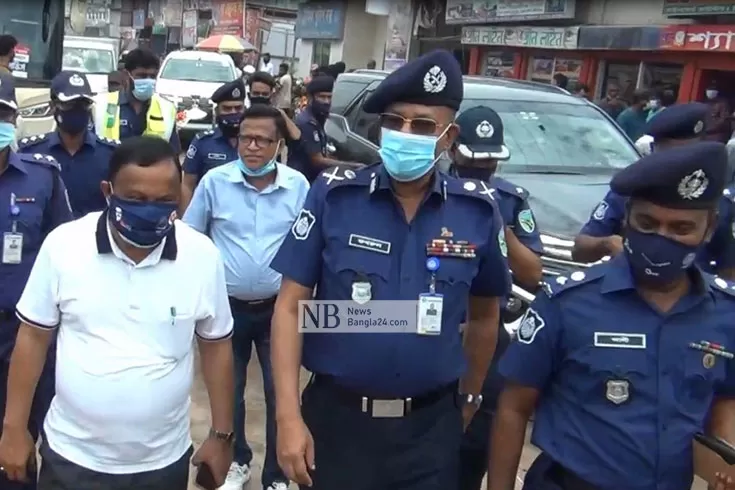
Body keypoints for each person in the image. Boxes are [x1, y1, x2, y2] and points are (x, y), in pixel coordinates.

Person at [269, 49, 511, 490]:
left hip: (430, 428)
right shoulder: (335, 198)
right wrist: (287, 416)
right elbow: (291, 308)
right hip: (337, 423)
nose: (406, 134)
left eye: (422, 126)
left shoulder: (477, 211)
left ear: (448, 136)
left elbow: (484, 316)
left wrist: (471, 396)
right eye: (395, 122)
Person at [488, 141, 735, 490]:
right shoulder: (567, 303)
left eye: (681, 229)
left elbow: (726, 399)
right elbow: (513, 408)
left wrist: (725, 459)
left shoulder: (726, 312)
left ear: (709, 229)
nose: (661, 239)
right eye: (647, 224)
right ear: (627, 218)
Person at [0, 136, 235, 490]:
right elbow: (33, 338)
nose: (150, 210)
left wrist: (222, 434)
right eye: (136, 199)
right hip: (71, 458)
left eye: (164, 201)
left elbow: (216, 348)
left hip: (161, 462)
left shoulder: (202, 257)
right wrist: (14, 429)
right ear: (108, 191)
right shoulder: (64, 246)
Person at [184, 104, 309, 490]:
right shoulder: (214, 183)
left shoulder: (298, 187)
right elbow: (192, 237)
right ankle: (237, 462)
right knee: (229, 391)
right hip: (225, 311)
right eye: (245, 138)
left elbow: (308, 248)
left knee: (279, 393)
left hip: (279, 312)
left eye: (262, 140)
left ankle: (276, 476)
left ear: (278, 145)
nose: (251, 147)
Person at [448, 106, 543, 490]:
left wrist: (496, 223)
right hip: (438, 327)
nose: (483, 168)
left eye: (490, 160)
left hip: (490, 335)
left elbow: (532, 273)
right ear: (454, 151)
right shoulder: (434, 193)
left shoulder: (511, 201)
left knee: (474, 441)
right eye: (475, 159)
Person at [0, 73, 72, 490]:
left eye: (2, 114)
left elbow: (64, 249)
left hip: (23, 332)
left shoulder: (41, 176)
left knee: (26, 433)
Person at [573, 102, 709, 264]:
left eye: (689, 154)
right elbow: (580, 250)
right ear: (653, 149)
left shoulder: (714, 196)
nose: (679, 162)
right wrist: (607, 243)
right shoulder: (630, 188)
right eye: (671, 153)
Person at [18, 71, 119, 218]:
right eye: (69, 104)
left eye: (84, 104)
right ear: (53, 106)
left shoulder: (110, 154)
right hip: (47, 238)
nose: (77, 110)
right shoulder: (30, 153)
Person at [93, 48, 180, 153]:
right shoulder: (101, 105)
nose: (148, 80)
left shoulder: (166, 109)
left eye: (152, 76)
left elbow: (172, 153)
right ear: (126, 75)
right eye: (141, 76)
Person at [181, 79, 246, 212]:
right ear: (217, 111)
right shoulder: (203, 142)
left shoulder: (255, 142)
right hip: (209, 214)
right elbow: (187, 185)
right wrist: (184, 222)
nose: (233, 113)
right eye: (227, 109)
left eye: (238, 108)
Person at [290, 75, 360, 182]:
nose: (326, 101)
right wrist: (353, 166)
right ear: (310, 98)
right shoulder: (307, 122)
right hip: (303, 180)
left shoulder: (318, 117)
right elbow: (317, 160)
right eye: (322, 97)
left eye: (329, 97)